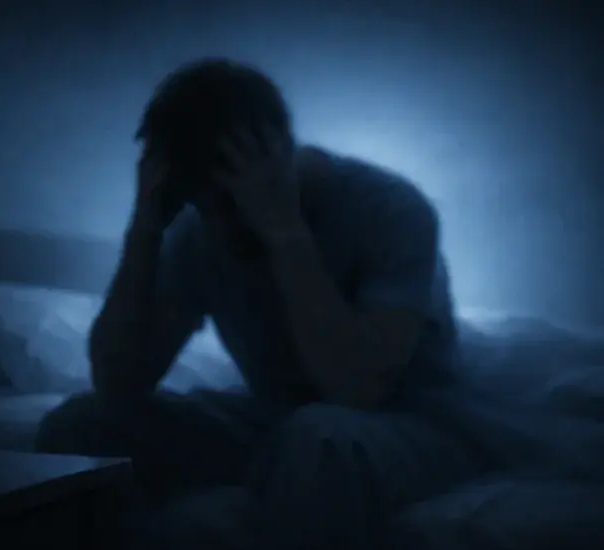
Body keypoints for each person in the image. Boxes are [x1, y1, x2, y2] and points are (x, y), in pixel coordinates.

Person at [34, 58, 485, 549]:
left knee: (321, 439)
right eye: (202, 205)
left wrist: (283, 231)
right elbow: (118, 384)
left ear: (280, 153)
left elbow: (357, 389)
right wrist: (145, 230)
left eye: (227, 203)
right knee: (82, 424)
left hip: (411, 427)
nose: (222, 224)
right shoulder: (201, 228)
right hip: (276, 422)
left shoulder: (391, 209)